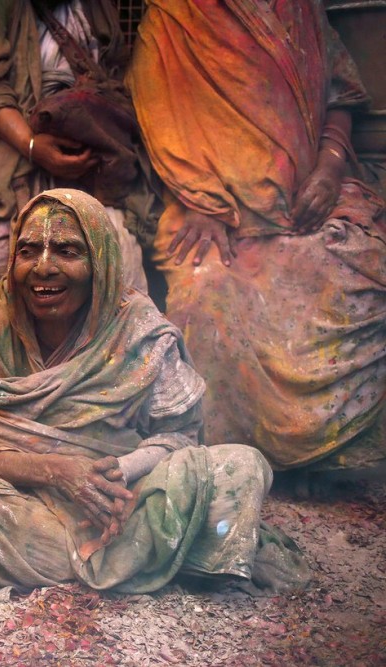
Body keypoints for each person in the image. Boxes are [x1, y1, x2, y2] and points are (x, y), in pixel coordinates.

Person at [0, 189, 309, 601]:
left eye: (66, 251)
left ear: (100, 261)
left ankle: (98, 557)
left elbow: (180, 437)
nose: (43, 268)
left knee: (242, 466)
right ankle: (166, 557)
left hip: (128, 496)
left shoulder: (139, 329)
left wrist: (112, 475)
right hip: (28, 500)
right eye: (28, 251)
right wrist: (60, 473)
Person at [127, 0, 386, 488]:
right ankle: (228, 466)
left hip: (306, 203)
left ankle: (324, 462)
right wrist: (202, 199)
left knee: (357, 270)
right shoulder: (174, 15)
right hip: (204, 209)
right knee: (207, 294)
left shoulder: (302, 9)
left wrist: (330, 167)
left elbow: (340, 95)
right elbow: (159, 115)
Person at [0, 0, 147, 329]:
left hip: (91, 165)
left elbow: (114, 72)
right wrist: (33, 146)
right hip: (10, 160)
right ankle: (9, 378)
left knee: (118, 256)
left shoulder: (96, 7)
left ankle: (101, 375)